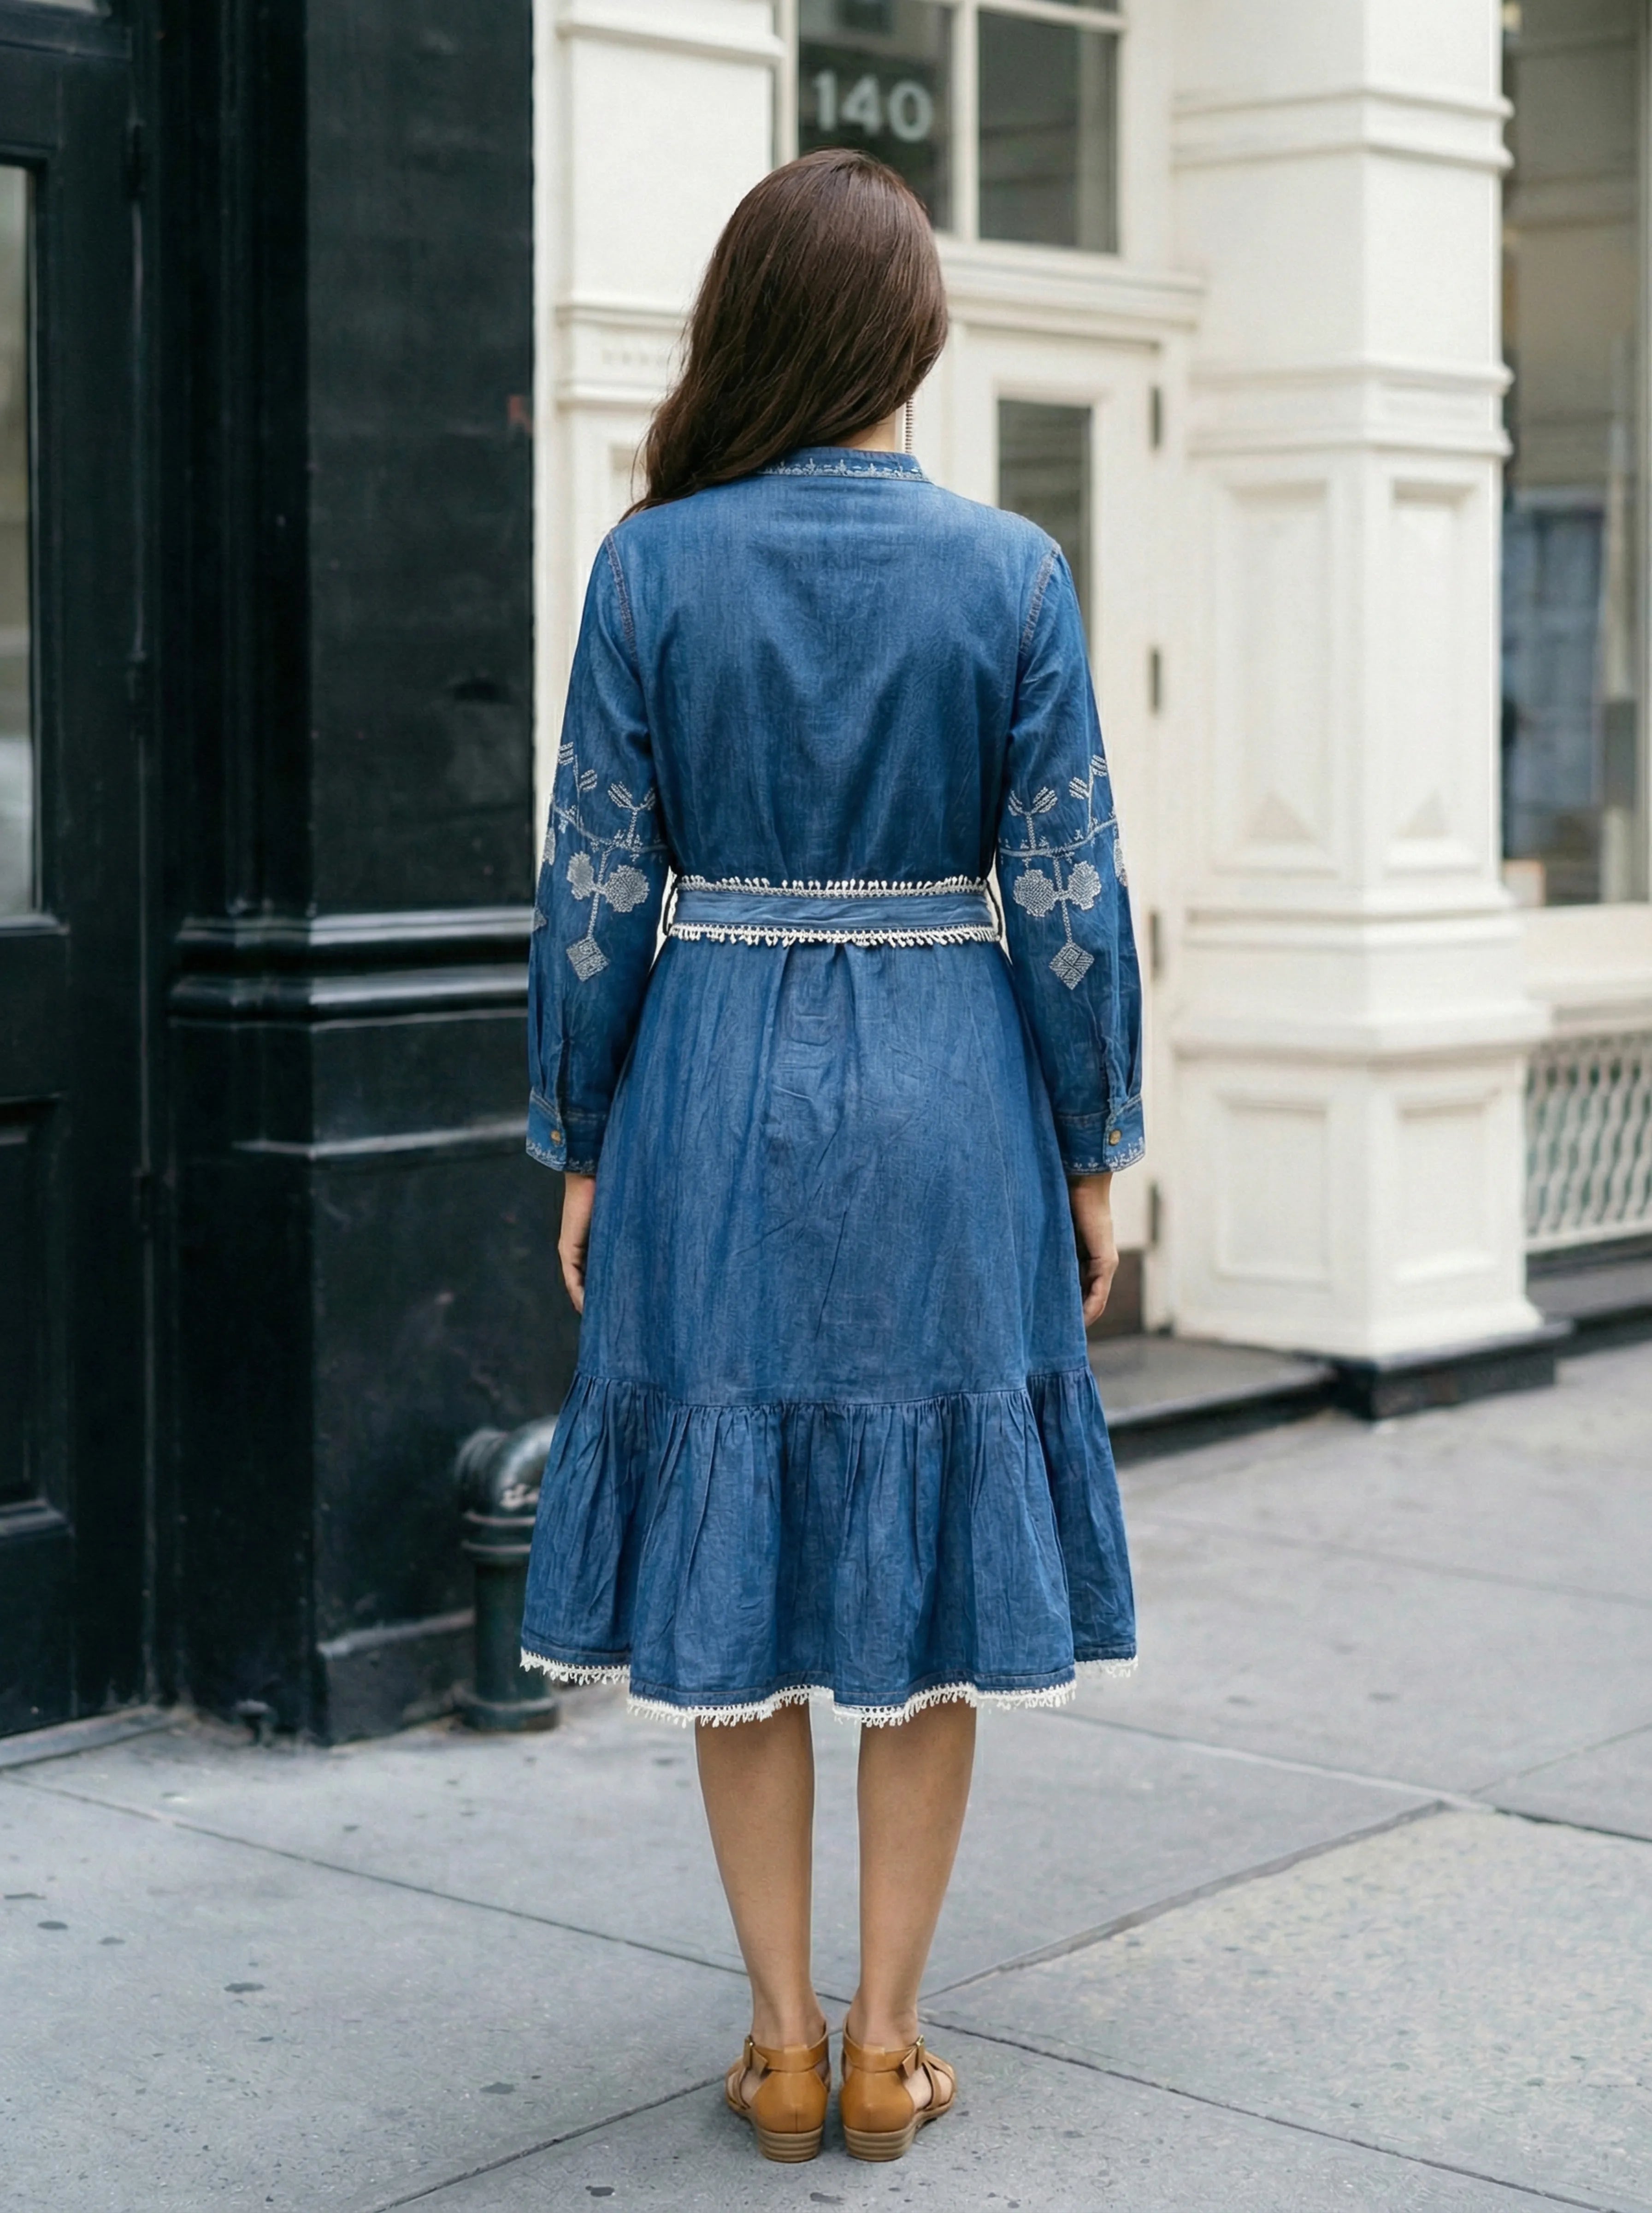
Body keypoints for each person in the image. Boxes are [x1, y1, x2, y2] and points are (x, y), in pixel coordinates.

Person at [519, 147, 1142, 2166]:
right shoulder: (1010, 574)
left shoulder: (651, 568)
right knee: (933, 1601)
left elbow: (593, 887)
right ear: (909, 335)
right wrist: (1090, 1145)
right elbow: (1066, 893)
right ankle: (888, 2044)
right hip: (950, 1090)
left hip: (707, 1083)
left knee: (733, 1578)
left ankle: (776, 2044)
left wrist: (580, 1132)